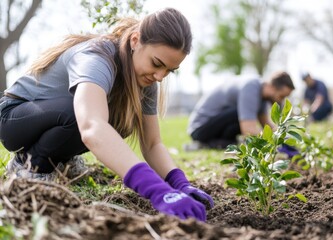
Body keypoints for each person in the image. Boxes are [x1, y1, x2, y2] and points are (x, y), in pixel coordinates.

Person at [0, 8, 213, 222]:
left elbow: (152, 144)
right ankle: (30, 165)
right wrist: (157, 190)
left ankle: (59, 159)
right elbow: (92, 127)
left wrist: (180, 184)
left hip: (54, 117)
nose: (160, 76)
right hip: (13, 117)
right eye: (157, 63)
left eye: (169, 70)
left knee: (119, 120)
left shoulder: (145, 79)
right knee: (83, 114)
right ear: (135, 40)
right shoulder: (96, 58)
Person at [186, 72, 295, 150]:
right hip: (200, 127)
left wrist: (285, 139)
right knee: (239, 113)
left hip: (216, 127)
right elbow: (248, 130)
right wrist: (275, 143)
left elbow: (266, 126)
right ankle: (204, 142)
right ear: (272, 87)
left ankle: (211, 143)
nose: (281, 101)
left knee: (236, 138)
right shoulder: (251, 88)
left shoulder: (262, 97)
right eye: (281, 96)